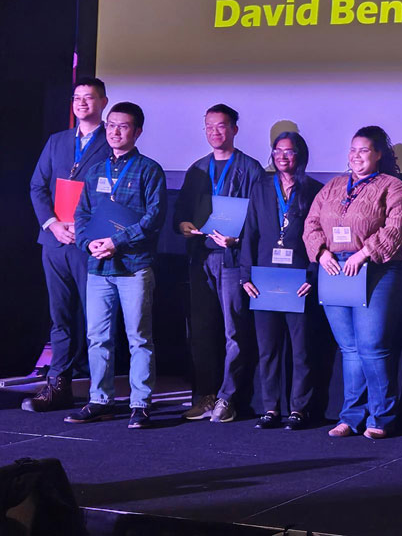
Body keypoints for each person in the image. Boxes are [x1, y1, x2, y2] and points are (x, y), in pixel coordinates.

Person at [303, 126, 402, 439]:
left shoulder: (392, 187)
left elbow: (398, 227)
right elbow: (311, 223)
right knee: (349, 349)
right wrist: (321, 252)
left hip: (378, 269)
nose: (356, 156)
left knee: (372, 347)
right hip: (334, 269)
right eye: (353, 150)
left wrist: (365, 252)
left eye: (364, 150)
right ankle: (351, 416)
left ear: (378, 154)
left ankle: (381, 417)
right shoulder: (334, 185)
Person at [64, 102, 167, 429]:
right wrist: (88, 243)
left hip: (133, 267)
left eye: (123, 126)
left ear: (137, 131)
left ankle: (140, 404)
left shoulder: (149, 170)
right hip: (98, 269)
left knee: (139, 338)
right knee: (97, 337)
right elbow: (82, 215)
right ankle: (100, 400)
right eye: (110, 125)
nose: (115, 131)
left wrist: (116, 242)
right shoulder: (95, 170)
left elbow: (154, 219)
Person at [174, 104, 264, 423]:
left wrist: (237, 240)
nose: (214, 132)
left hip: (232, 260)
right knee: (202, 331)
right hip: (201, 258)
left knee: (234, 331)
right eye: (209, 126)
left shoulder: (251, 169)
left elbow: (260, 219)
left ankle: (229, 397)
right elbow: (181, 211)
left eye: (221, 126)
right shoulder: (198, 168)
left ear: (235, 129)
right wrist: (183, 225)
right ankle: (205, 396)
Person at [25, 78, 110, 412]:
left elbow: (116, 196)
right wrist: (52, 223)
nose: (82, 103)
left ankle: (100, 391)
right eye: (77, 97)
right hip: (55, 240)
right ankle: (57, 384)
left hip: (89, 242)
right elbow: (37, 186)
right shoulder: (57, 141)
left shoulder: (112, 141)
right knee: (59, 316)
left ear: (103, 102)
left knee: (96, 318)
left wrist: (86, 228)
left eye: (89, 97)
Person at [240, 132, 323, 430]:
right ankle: (270, 408)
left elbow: (320, 236)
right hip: (264, 278)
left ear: (300, 155)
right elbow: (249, 232)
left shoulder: (314, 190)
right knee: (268, 349)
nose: (282, 157)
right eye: (277, 151)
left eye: (289, 151)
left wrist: (313, 274)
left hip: (299, 279)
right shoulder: (261, 187)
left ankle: (299, 408)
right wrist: (245, 275)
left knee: (301, 350)